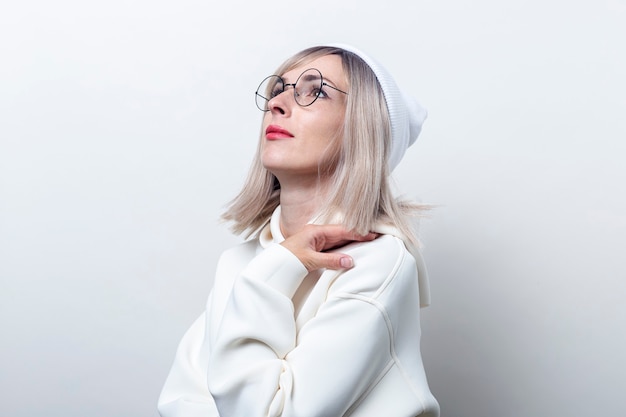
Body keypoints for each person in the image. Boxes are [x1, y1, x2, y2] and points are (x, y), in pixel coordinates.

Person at [157, 43, 440, 417]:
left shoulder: (378, 264)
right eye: (278, 89)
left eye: (316, 91)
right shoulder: (238, 264)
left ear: (363, 128)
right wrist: (279, 262)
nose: (277, 104)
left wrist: (272, 271)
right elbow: (180, 403)